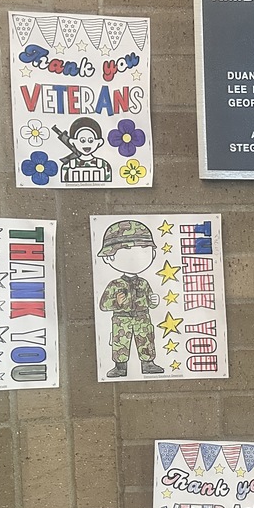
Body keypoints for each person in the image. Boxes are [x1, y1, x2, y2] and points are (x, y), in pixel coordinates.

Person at [97, 220, 164, 377]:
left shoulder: (143, 282)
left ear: (152, 254)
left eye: (143, 249)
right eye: (126, 251)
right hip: (122, 319)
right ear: (109, 257)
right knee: (120, 342)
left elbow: (149, 299)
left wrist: (153, 301)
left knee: (146, 340)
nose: (134, 258)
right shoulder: (114, 284)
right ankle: (120, 367)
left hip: (142, 317)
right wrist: (116, 303)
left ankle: (148, 363)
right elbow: (103, 305)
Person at [57, 117, 112, 184]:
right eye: (82, 140)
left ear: (99, 142)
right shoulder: (68, 165)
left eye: (91, 140)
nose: (86, 144)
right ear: (72, 142)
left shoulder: (103, 165)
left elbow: (108, 181)